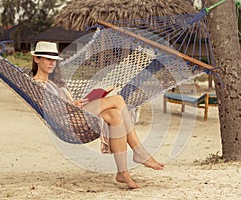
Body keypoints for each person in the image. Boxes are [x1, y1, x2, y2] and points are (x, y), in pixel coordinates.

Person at [31, 41, 164, 189]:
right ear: (37, 59)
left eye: (54, 60)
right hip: (66, 122)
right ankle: (139, 152)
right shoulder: (36, 84)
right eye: (47, 59)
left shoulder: (55, 83)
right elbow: (49, 110)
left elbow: (64, 103)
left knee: (115, 115)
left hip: (74, 114)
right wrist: (71, 107)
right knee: (118, 99)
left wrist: (75, 103)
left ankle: (122, 173)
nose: (52, 63)